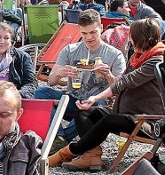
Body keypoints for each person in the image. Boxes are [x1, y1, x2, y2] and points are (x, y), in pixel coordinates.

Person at [49, 19, 165, 172]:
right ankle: (91, 155)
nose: (129, 39)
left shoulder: (157, 60)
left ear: (139, 38)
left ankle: (66, 153)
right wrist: (107, 76)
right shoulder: (138, 57)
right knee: (84, 111)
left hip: (145, 119)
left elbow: (125, 82)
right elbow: (120, 81)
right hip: (125, 112)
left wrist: (95, 98)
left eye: (132, 36)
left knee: (107, 120)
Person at [34, 10, 126, 140]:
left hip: (95, 101)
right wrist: (60, 72)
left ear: (101, 28)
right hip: (72, 98)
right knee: (41, 92)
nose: (89, 37)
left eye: (93, 32)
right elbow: (51, 81)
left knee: (98, 104)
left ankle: (61, 140)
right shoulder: (70, 50)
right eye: (84, 33)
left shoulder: (114, 55)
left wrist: (108, 75)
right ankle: (60, 135)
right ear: (79, 31)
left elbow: (119, 89)